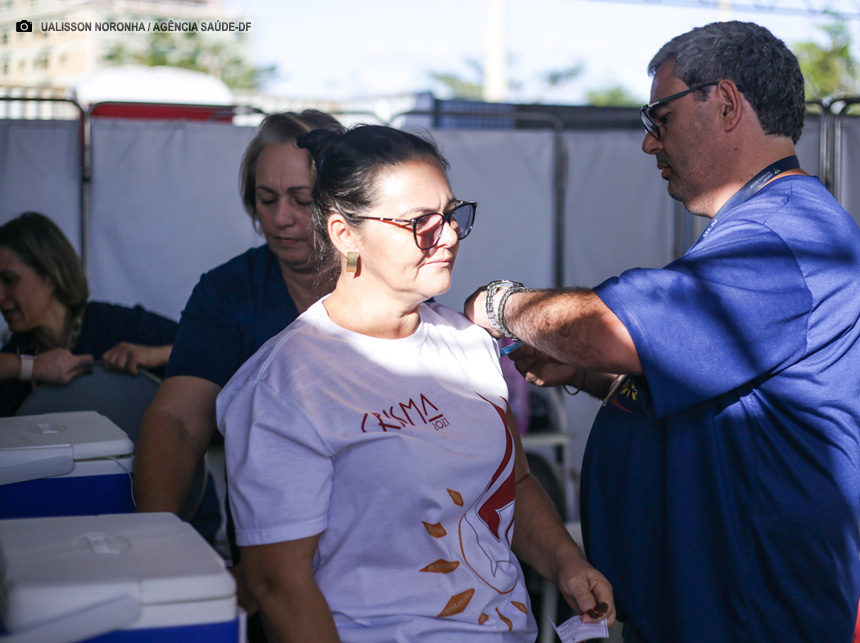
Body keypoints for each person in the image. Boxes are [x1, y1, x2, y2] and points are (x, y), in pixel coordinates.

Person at [465, 21, 860, 643]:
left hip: (749, 618)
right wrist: (591, 375)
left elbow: (603, 329)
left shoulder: (783, 237)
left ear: (725, 103)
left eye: (660, 117)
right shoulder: (768, 229)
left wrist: (500, 303)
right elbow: (726, 393)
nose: (650, 144)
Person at [216, 124, 615, 642]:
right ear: (345, 234)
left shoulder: (468, 344)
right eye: (420, 222)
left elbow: (512, 485)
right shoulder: (287, 383)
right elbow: (279, 587)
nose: (447, 235)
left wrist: (566, 564)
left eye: (451, 215)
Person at [132, 111, 344, 634]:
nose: (281, 218)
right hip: (268, 575)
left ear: (344, 201)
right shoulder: (228, 293)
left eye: (301, 198)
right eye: (266, 200)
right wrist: (154, 547)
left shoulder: (389, 283)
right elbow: (179, 423)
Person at [0, 211, 177, 416]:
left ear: (50, 273)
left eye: (9, 280)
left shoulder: (113, 323)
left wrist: (157, 354)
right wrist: (31, 367)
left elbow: (210, 350)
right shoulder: (19, 352)